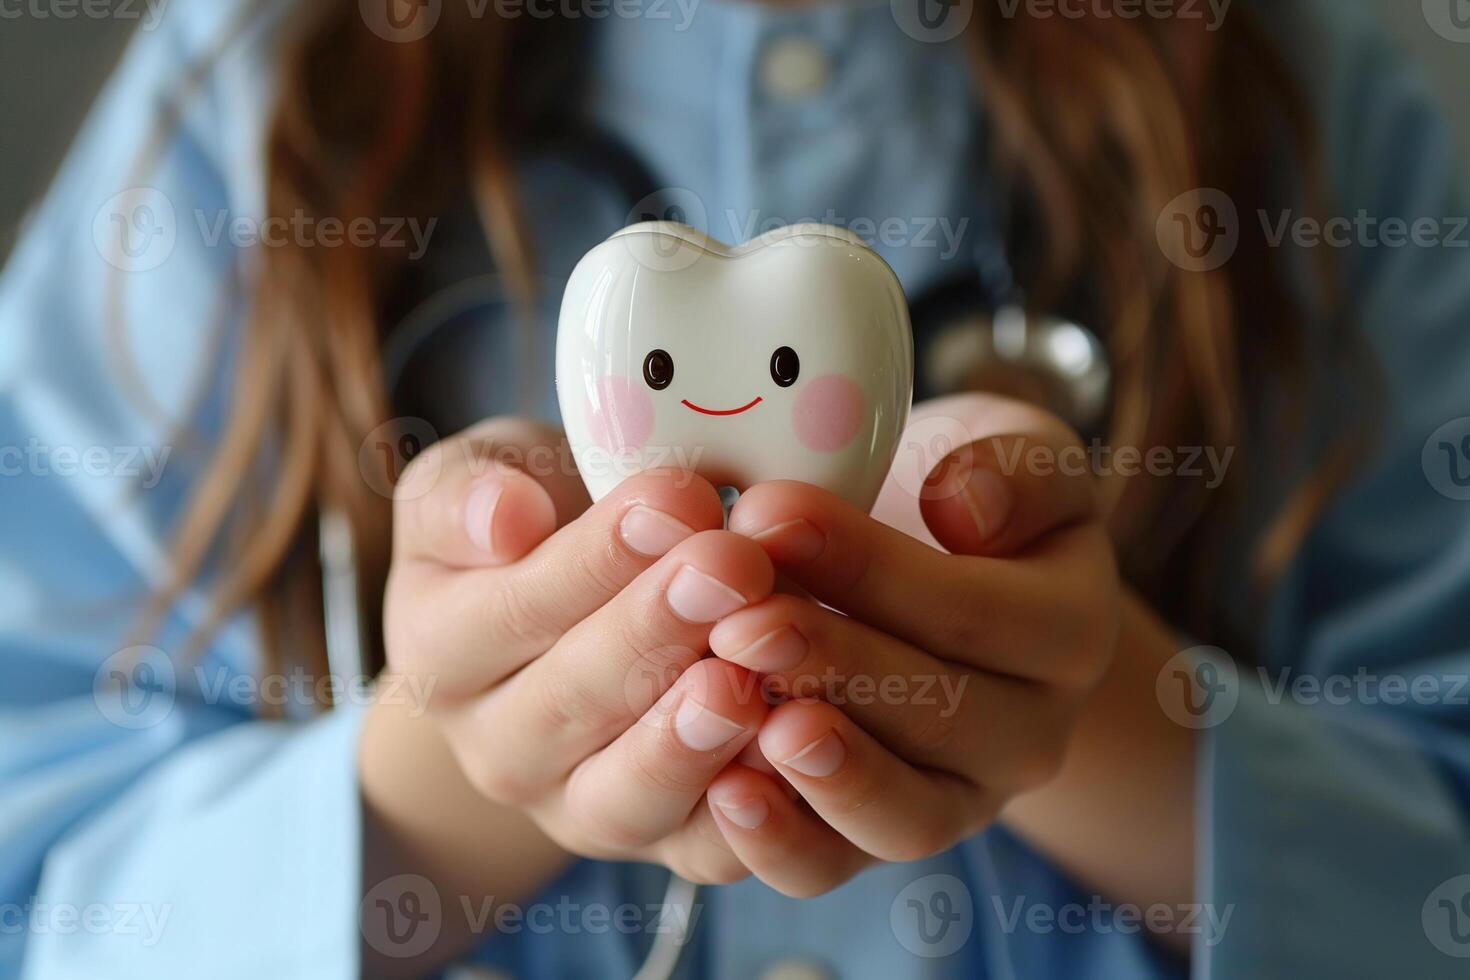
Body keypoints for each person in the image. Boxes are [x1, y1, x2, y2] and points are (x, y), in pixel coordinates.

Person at [3, 0, 1469, 976]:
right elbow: (43, 877)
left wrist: (1086, 704)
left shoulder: (1301, 82)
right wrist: (456, 767)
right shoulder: (258, 78)